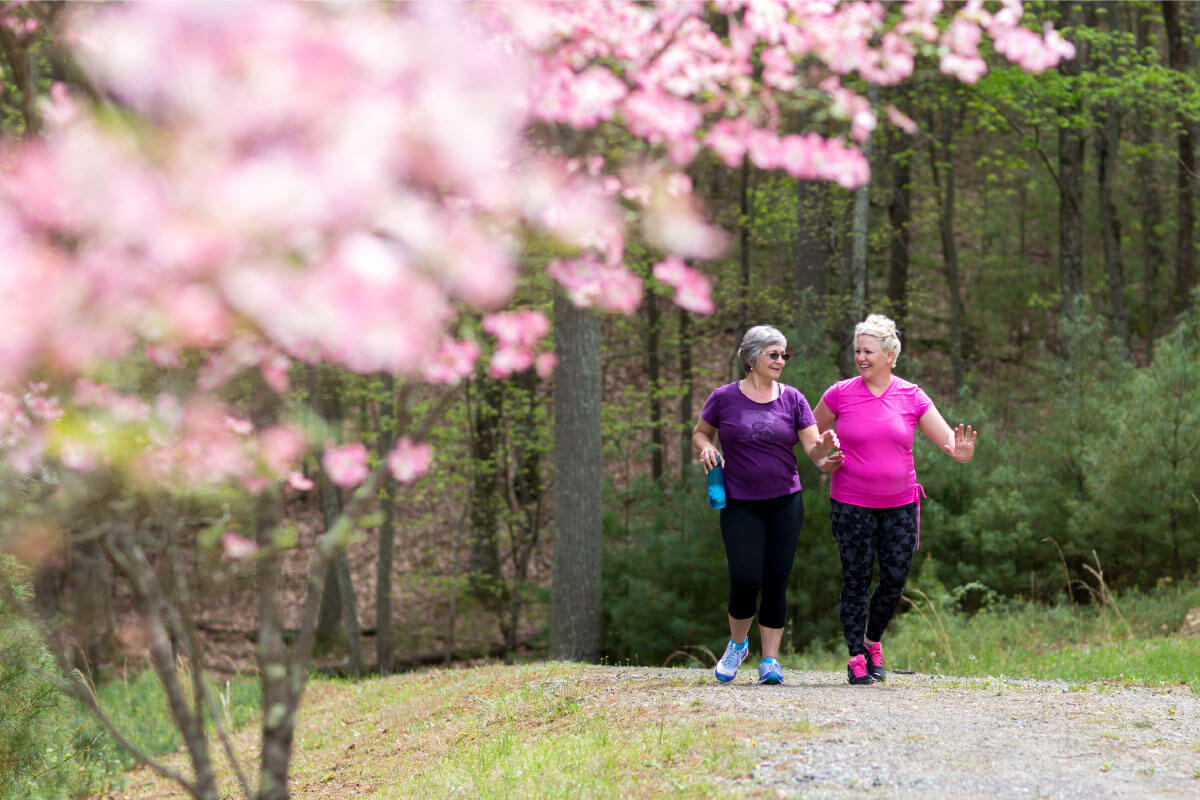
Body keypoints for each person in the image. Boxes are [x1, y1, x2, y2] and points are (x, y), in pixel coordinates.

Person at [813, 314, 977, 685]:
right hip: (851, 503)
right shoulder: (840, 393)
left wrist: (960, 453)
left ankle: (873, 642)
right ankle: (856, 656)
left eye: (868, 351)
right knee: (855, 580)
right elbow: (810, 432)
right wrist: (821, 456)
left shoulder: (911, 395)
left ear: (889, 354)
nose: (860, 357)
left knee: (894, 581)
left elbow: (950, 442)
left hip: (900, 506)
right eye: (857, 351)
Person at [693, 324, 841, 685]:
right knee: (744, 578)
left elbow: (812, 449)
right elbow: (700, 432)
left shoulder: (793, 399)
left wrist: (823, 451)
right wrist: (707, 448)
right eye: (773, 354)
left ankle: (771, 661)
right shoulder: (724, 398)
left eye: (783, 355)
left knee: (776, 580)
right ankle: (739, 645)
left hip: (785, 502)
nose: (780, 360)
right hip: (740, 502)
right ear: (751, 357)